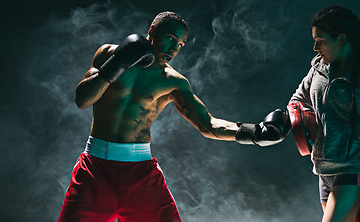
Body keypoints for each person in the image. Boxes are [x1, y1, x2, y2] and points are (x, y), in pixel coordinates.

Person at [58, 11, 289, 222]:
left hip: (140, 175)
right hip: (95, 170)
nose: (174, 48)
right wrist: (117, 62)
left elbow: (208, 125)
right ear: (152, 32)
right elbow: (82, 100)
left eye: (180, 44)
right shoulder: (108, 53)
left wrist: (255, 133)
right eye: (170, 38)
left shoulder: (173, 82)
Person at [288, 6, 360, 222]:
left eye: (320, 41)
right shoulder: (319, 69)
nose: (315, 47)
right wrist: (296, 120)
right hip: (323, 169)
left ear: (340, 39)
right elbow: (297, 100)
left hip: (352, 168)